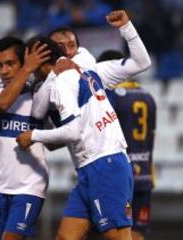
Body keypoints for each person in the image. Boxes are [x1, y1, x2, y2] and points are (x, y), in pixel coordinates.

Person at [16, 34, 133, 240]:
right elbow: (39, 111)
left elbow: (72, 131)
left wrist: (34, 135)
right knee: (66, 237)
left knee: (118, 236)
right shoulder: (78, 71)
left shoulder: (63, 81)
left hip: (104, 164)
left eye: (29, 62)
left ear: (40, 59)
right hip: (89, 169)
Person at [0, 37, 51, 240]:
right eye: (0, 65)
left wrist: (36, 135)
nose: (5, 70)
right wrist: (27, 69)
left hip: (30, 186)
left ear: (23, 61)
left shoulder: (39, 95)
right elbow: (2, 105)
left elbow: (54, 144)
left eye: (11, 64)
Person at [98, 50, 157, 240]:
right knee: (138, 232)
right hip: (144, 174)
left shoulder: (110, 97)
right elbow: (151, 137)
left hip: (119, 176)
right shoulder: (148, 97)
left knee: (116, 231)